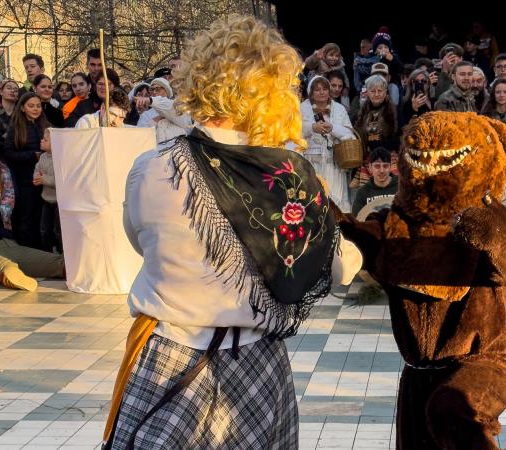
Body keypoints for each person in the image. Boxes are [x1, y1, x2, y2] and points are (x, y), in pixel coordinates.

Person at [105, 16, 361, 449]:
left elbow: (139, 243)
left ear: (198, 79)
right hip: (256, 363)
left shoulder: (152, 167)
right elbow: (342, 271)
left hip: (167, 353)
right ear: (274, 92)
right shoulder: (291, 175)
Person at [0, 174, 64, 292]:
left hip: (6, 245)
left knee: (54, 262)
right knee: (1, 266)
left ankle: (80, 270)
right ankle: (12, 276)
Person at [301, 75, 355, 210]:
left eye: (325, 89)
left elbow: (350, 135)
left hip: (334, 164)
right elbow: (292, 131)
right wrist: (312, 127)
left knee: (336, 203)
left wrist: (333, 128)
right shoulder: (301, 108)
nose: (321, 92)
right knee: (313, 203)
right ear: (311, 93)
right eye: (317, 89)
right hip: (310, 164)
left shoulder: (339, 109)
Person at [2, 93, 48, 249]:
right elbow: (8, 153)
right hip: (25, 180)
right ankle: (28, 251)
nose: (36, 109)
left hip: (45, 180)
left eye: (38, 106)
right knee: (26, 217)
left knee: (42, 218)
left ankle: (43, 251)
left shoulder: (46, 125)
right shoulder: (16, 127)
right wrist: (31, 155)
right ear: (22, 108)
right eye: (31, 106)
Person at [32, 128, 61, 253]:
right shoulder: (43, 157)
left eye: (45, 140)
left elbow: (60, 181)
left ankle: (60, 254)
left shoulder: (60, 159)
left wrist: (44, 180)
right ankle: (47, 253)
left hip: (58, 203)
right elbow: (37, 170)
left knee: (59, 231)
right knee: (44, 229)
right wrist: (37, 177)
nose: (41, 141)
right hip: (46, 200)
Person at [351, 147, 398, 217]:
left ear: (390, 167)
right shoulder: (362, 192)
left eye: (385, 166)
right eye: (377, 166)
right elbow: (356, 221)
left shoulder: (402, 187)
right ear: (370, 167)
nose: (381, 170)